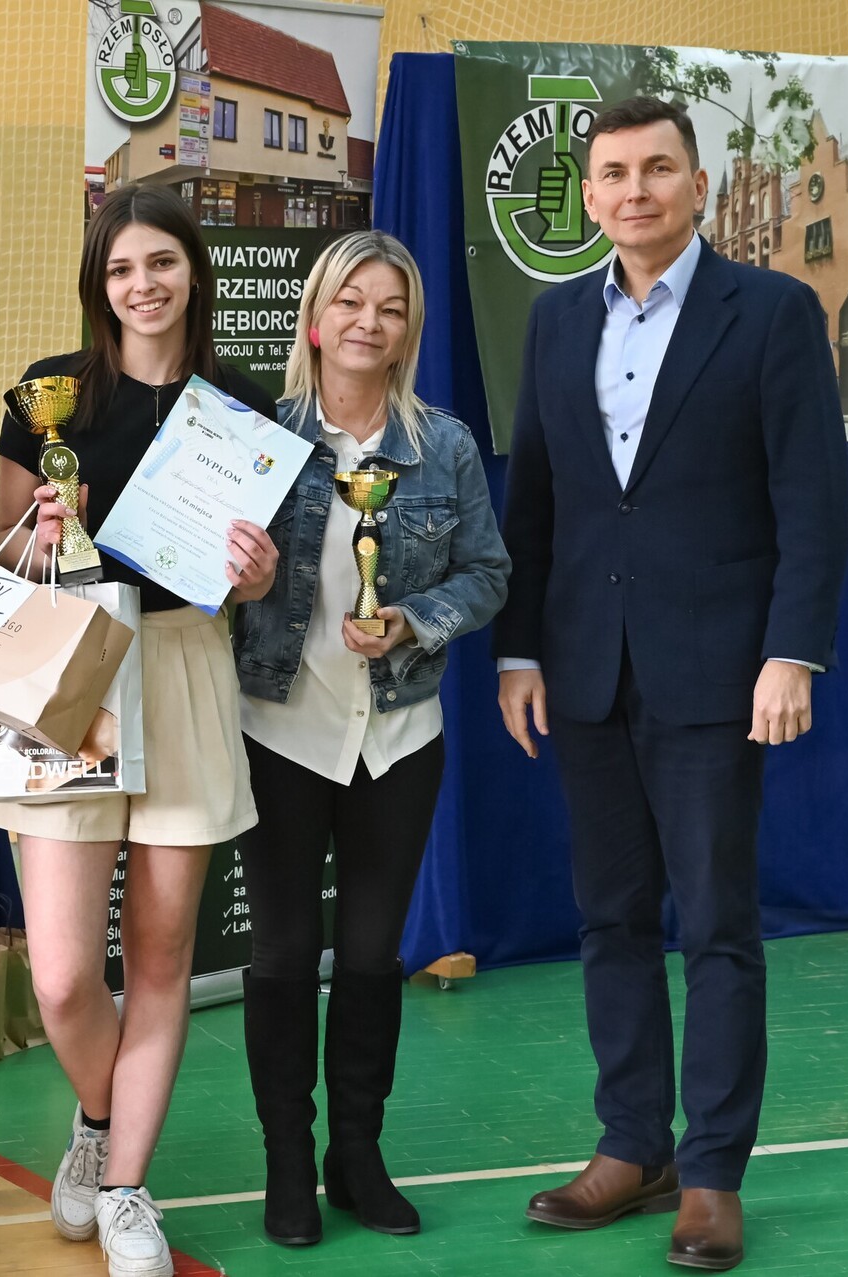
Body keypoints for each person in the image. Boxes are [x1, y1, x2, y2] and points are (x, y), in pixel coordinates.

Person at [493, 96, 848, 1271]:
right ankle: (631, 1146)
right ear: (591, 197)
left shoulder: (774, 312)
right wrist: (520, 649)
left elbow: (813, 498)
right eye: (613, 173)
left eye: (657, 169)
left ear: (697, 185)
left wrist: (791, 651)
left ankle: (711, 1175)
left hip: (718, 671)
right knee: (610, 917)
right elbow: (535, 499)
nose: (634, 190)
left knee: (716, 925)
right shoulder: (555, 319)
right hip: (586, 668)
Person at [0, 183, 279, 1277]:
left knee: (160, 957)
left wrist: (259, 575)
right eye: (120, 269)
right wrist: (40, 530)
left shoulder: (241, 406)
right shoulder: (47, 399)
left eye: (161, 262)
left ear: (193, 271)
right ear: (97, 284)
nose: (142, 285)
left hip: (187, 666)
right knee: (65, 977)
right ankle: (102, 1121)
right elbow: (5, 553)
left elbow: (246, 578)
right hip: (71, 666)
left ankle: (124, 1187)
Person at [231, 230, 509, 1246]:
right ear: (315, 317)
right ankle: (286, 1162)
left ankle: (356, 1154)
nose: (368, 322)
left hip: (398, 734)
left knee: (371, 952)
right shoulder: (259, 435)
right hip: (280, 728)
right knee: (282, 951)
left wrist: (413, 619)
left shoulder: (446, 446)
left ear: (408, 331)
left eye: (390, 309)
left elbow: (488, 572)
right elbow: (196, 571)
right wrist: (243, 582)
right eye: (350, 301)